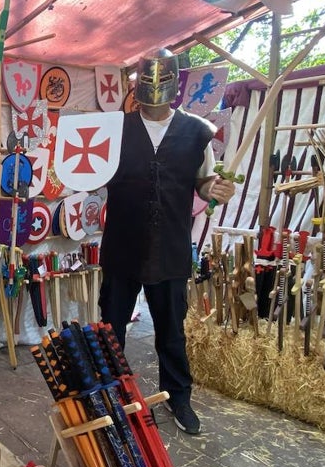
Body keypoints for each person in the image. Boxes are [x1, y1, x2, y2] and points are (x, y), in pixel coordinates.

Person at [99, 48, 237, 434]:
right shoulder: (114, 128)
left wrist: (216, 189)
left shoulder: (197, 131)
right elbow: (88, 169)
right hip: (123, 243)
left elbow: (204, 180)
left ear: (174, 83)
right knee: (111, 327)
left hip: (170, 245)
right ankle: (109, 395)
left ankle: (178, 397)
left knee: (171, 330)